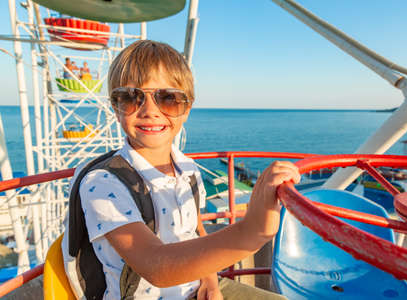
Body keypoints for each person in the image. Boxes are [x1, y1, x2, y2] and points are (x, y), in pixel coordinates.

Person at [65, 40, 300, 300]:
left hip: (196, 287)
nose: (150, 111)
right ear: (115, 107)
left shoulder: (187, 169)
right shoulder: (103, 184)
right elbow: (156, 266)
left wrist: (210, 280)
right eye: (131, 97)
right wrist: (251, 232)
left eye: (168, 99)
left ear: (186, 108)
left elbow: (193, 230)